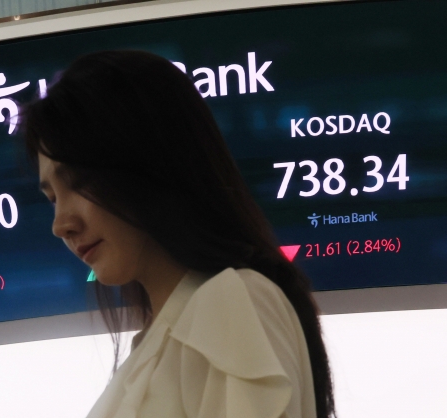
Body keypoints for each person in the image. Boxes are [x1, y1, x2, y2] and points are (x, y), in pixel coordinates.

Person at [21, 50, 335, 418]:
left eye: (80, 181)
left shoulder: (231, 301)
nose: (61, 225)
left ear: (152, 162)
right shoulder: (165, 334)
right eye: (52, 198)